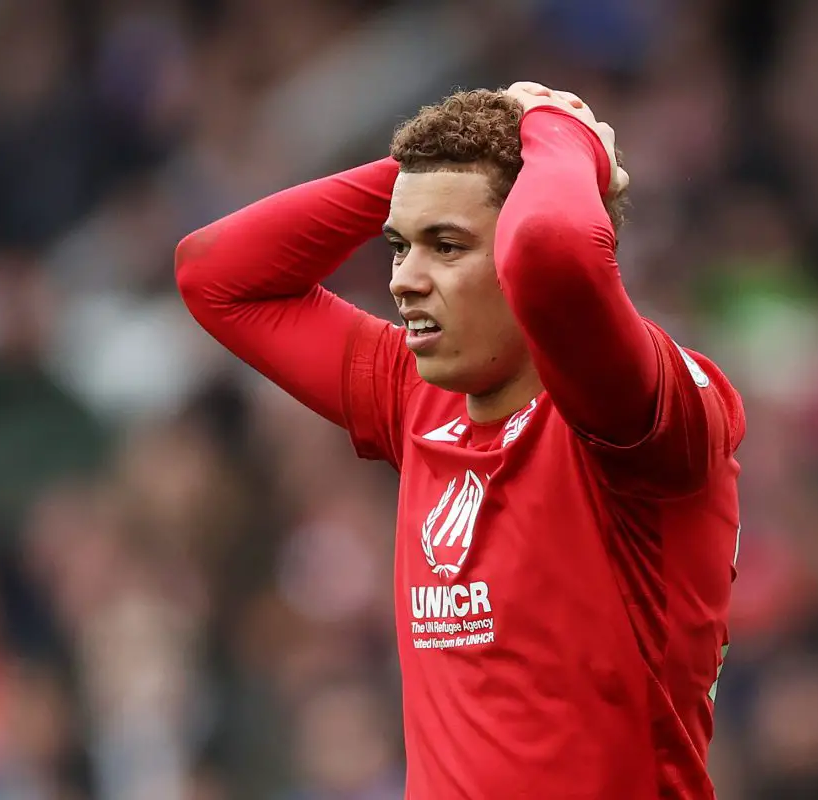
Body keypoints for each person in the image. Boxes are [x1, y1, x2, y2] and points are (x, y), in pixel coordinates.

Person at [176, 81, 745, 799]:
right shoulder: (417, 399)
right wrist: (432, 170)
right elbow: (217, 275)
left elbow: (553, 251)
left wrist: (556, 126)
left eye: (446, 245)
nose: (404, 280)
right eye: (398, 246)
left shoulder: (640, 414)